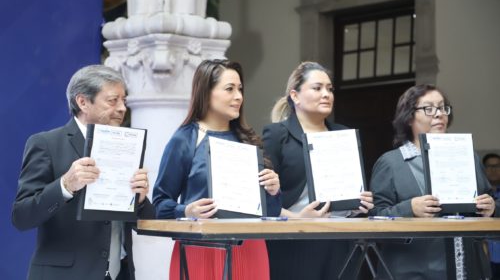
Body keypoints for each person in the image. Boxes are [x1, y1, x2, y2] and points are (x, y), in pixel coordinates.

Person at [11, 65, 155, 280]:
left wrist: (141, 201)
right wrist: (65, 186)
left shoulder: (127, 147)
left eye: (123, 100)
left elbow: (146, 223)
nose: (123, 108)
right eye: (113, 100)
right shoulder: (46, 144)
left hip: (120, 273)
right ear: (83, 102)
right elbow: (21, 217)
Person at [152, 59, 281, 280]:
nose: (239, 96)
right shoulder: (185, 139)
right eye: (230, 89)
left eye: (240, 89)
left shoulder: (248, 141)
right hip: (200, 249)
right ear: (206, 93)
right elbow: (159, 205)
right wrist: (186, 211)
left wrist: (274, 191)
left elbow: (271, 213)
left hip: (250, 248)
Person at [370, 84, 498, 279]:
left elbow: (489, 204)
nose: (439, 114)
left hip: (468, 268)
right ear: (409, 117)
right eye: (429, 108)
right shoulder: (391, 163)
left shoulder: (468, 157)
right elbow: (374, 218)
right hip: (411, 271)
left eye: (442, 107)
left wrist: (491, 208)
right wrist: (409, 208)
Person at [263, 61, 374, 280]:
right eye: (317, 88)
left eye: (330, 89)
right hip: (293, 242)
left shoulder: (343, 134)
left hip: (341, 242)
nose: (326, 94)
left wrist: (359, 202)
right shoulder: (277, 135)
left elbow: (354, 193)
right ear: (295, 96)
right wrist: (296, 218)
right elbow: (261, 200)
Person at [483, 153, 500, 279]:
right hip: (483, 257)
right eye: (489, 166)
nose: (493, 169)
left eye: (497, 166)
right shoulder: (478, 194)